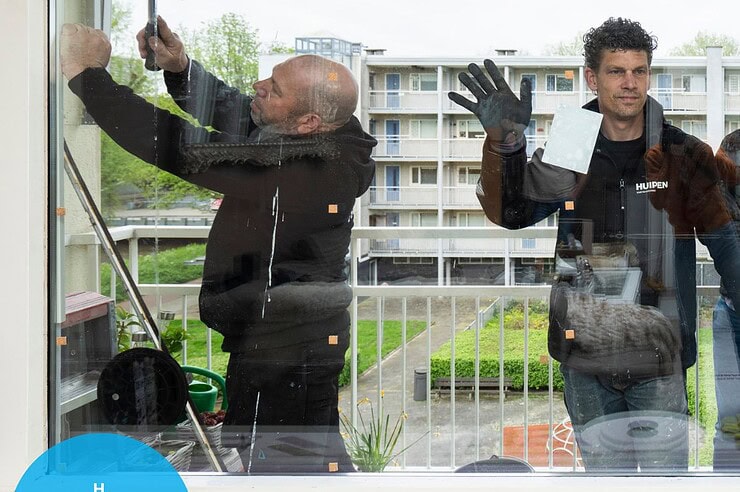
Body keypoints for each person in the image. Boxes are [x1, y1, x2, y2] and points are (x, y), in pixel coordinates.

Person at [61, 20, 376, 473]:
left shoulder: (308, 169)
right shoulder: (321, 133)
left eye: (274, 88)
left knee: (282, 469)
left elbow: (176, 144)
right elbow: (242, 111)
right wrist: (180, 69)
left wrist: (87, 75)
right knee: (298, 460)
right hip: (281, 338)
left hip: (288, 352)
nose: (259, 85)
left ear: (309, 122)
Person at [449, 17, 737, 471]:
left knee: (664, 481)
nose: (630, 83)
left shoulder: (681, 153)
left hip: (659, 352)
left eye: (639, 71)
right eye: (616, 71)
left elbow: (725, 243)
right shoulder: (572, 143)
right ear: (592, 77)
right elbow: (513, 214)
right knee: (604, 479)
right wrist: (505, 143)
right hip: (584, 353)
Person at [712, 130, 740, 469]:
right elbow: (718, 225)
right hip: (732, 310)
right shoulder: (732, 146)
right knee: (732, 422)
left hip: (729, 308)